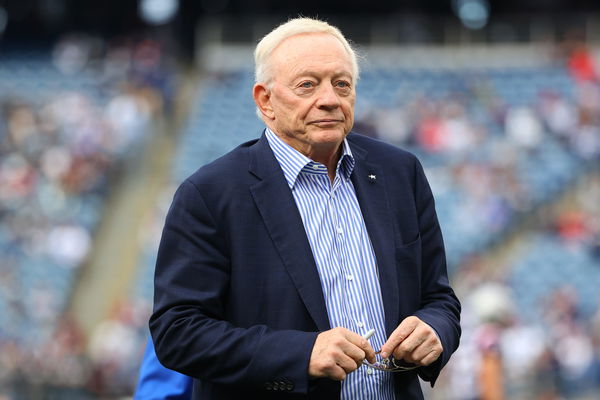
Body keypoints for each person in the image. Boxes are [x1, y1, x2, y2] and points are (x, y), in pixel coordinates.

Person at [150, 17, 461, 399]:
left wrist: (434, 330)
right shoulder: (210, 194)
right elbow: (177, 332)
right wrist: (300, 355)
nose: (329, 98)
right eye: (307, 85)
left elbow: (440, 299)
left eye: (342, 84)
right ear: (265, 101)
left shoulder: (401, 173)